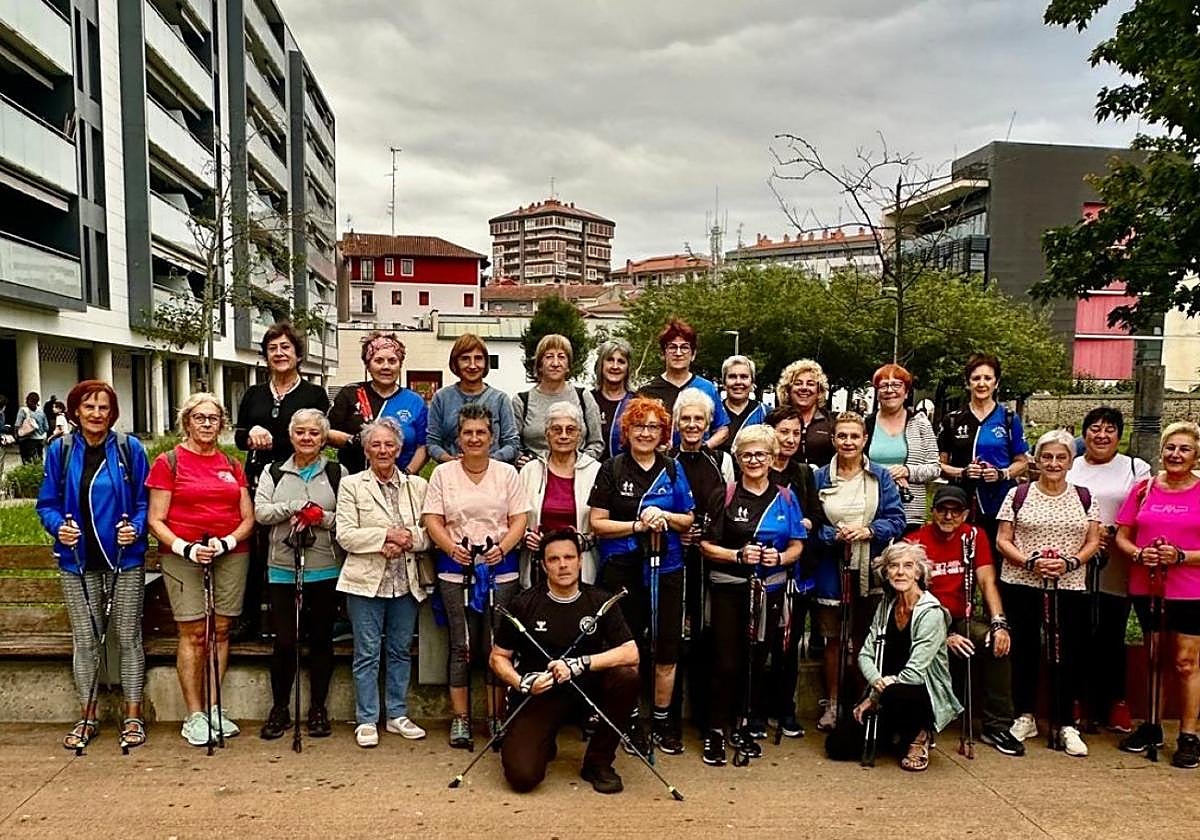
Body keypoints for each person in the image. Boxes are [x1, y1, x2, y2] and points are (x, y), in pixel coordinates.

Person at [36, 381, 151, 751]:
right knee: (85, 641)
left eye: (104, 407)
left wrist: (134, 528)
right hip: (77, 561)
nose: (97, 414)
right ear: (75, 410)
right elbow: (46, 502)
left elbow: (145, 501)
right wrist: (59, 527)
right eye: (89, 407)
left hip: (125, 560)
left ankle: (132, 715)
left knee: (128, 638)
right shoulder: (61, 450)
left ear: (112, 412)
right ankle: (87, 715)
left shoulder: (130, 449)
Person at [492, 529, 639, 795]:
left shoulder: (600, 601)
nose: (563, 565)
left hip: (586, 687)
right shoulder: (523, 604)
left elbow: (631, 653)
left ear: (580, 561)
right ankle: (543, 742)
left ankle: (598, 763)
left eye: (570, 557)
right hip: (540, 693)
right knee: (523, 777)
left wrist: (580, 664)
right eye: (554, 559)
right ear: (543, 565)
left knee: (627, 677)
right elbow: (498, 657)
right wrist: (522, 682)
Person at [146, 393, 255, 746]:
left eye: (213, 418)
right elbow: (155, 520)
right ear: (186, 422)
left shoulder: (232, 464)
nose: (207, 424)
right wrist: (186, 547)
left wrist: (226, 542)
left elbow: (248, 517)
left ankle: (213, 708)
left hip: (229, 553)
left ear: (221, 423)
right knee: (193, 631)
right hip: (183, 556)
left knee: (221, 630)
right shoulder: (169, 462)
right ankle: (193, 714)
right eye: (199, 418)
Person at [588, 396, 695, 755]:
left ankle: (663, 721)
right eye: (639, 426)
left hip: (666, 566)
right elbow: (597, 523)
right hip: (622, 567)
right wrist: (637, 524)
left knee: (666, 648)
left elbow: (688, 519)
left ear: (663, 432)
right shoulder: (612, 468)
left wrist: (663, 518)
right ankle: (629, 718)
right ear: (627, 431)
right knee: (625, 647)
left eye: (653, 427)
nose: (646, 433)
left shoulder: (673, 469)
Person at [423, 403, 530, 748]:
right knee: (461, 646)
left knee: (495, 646)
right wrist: (450, 548)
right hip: (456, 569)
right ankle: (461, 719)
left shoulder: (507, 473)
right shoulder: (443, 474)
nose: (474, 438)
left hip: (500, 569)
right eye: (467, 432)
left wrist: (504, 547)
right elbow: (433, 519)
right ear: (458, 438)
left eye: (480, 432)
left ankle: (496, 717)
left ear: (491, 436)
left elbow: (519, 519)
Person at [699, 424, 807, 766]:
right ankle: (715, 730)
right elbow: (705, 544)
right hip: (730, 587)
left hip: (769, 589)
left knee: (756, 660)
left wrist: (781, 558)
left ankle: (745, 724)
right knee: (725, 661)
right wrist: (737, 555)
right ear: (738, 458)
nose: (754, 460)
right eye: (746, 454)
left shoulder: (786, 497)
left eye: (761, 454)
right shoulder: (725, 494)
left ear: (772, 457)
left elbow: (797, 545)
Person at [995, 429, 1101, 757]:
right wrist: (1030, 562)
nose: (1053, 463)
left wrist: (1070, 563)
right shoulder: (1019, 494)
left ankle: (1065, 722)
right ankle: (1024, 715)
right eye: (1047, 457)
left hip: (1069, 584)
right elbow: (1003, 539)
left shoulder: (1084, 495)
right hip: (1022, 581)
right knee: (1024, 649)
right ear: (1037, 460)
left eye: (1061, 457)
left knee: (1068, 652)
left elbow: (1094, 540)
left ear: (1071, 461)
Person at [907, 485, 1023, 756]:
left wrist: (998, 622)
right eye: (942, 510)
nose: (948, 517)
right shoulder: (915, 541)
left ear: (966, 514)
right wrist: (940, 635)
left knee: (995, 642)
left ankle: (996, 725)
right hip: (927, 618)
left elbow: (986, 579)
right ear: (932, 512)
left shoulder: (974, 536)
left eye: (955, 511)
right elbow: (910, 595)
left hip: (963, 617)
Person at [335, 418, 431, 748]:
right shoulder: (351, 485)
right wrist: (386, 536)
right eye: (375, 444)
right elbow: (345, 535)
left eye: (389, 444)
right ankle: (366, 718)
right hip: (365, 583)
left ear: (400, 448)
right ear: (365, 449)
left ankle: (397, 714)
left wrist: (406, 540)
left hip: (406, 581)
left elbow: (429, 532)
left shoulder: (417, 486)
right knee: (367, 652)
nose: (383, 450)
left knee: (400, 650)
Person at [253, 409, 347, 740]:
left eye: (314, 433)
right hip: (282, 568)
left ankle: (318, 709)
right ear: (291, 436)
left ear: (324, 439)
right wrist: (293, 508)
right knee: (285, 642)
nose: (307, 438)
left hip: (325, 569)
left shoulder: (337, 472)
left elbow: (344, 519)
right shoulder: (273, 471)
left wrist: (319, 516)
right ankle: (279, 708)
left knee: (321, 641)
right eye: (301, 432)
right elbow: (261, 512)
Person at [812, 411, 907, 732]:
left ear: (865, 439)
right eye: (842, 436)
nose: (848, 442)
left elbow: (896, 519)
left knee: (865, 639)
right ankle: (834, 702)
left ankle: (864, 702)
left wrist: (869, 530)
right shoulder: (819, 477)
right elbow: (810, 524)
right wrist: (833, 535)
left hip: (871, 570)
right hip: (832, 571)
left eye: (855, 436)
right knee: (833, 641)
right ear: (833, 439)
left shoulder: (880, 477)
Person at [235, 322, 331, 640]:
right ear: (265, 355)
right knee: (258, 550)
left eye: (285, 347)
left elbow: (317, 435)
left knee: (298, 544)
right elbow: (238, 434)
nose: (279, 353)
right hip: (261, 481)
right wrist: (250, 433)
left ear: (298, 354)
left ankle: (301, 623)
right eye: (273, 348)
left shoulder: (313, 394)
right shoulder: (254, 394)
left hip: (299, 477)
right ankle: (252, 619)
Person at [1115, 421, 1200, 767]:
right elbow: (1123, 536)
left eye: (1184, 449)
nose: (1175, 455)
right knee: (1153, 658)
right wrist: (1138, 553)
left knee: (1185, 662)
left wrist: (1183, 557)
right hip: (1147, 584)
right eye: (1170, 448)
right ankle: (1151, 725)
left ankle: (1189, 734)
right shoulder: (1144, 488)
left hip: (1190, 588)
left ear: (1196, 455)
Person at [1066, 406, 1151, 735]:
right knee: (1076, 630)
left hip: (1117, 559)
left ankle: (1115, 702)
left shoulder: (1134, 468)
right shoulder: (1070, 466)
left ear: (1120, 434)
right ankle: (1074, 699)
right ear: (1084, 433)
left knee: (1112, 631)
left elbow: (1142, 511)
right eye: (1094, 428)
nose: (1101, 435)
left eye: (1109, 429)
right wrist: (1087, 536)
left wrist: (1112, 532)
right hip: (1077, 557)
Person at [854, 543, 963, 771]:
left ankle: (921, 734)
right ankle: (894, 732)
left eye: (908, 566)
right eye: (893, 566)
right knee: (839, 745)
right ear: (886, 572)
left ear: (919, 572)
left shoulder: (931, 612)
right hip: (887, 689)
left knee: (897, 691)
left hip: (919, 692)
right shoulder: (886, 605)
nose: (900, 572)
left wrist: (874, 697)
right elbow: (865, 654)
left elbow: (914, 674)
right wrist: (875, 683)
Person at [668, 387, 733, 733]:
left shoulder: (721, 461)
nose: (692, 425)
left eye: (699, 419)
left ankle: (709, 718)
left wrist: (708, 536)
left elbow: (731, 508)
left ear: (709, 424)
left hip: (710, 559)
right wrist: (676, 532)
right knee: (675, 637)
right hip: (675, 558)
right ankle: (671, 716)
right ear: (676, 423)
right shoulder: (667, 460)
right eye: (686, 419)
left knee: (707, 636)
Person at [765, 405, 825, 728]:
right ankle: (756, 709)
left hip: (796, 572)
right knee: (760, 643)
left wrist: (803, 523)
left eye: (795, 433)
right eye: (783, 431)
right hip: (763, 571)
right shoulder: (757, 467)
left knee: (788, 644)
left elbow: (816, 516)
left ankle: (785, 707)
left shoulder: (803, 473)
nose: (789, 438)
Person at [938, 353, 1030, 543]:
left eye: (987, 378)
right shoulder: (953, 419)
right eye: (976, 378)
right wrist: (962, 472)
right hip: (961, 502)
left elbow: (1022, 462)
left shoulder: (1009, 418)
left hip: (1000, 501)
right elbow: (939, 466)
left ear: (996, 383)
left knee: (996, 555)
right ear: (968, 383)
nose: (982, 383)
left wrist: (1002, 473)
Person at [518, 401, 601, 587]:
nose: (563, 435)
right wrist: (525, 535)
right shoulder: (529, 471)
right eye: (556, 429)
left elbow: (603, 520)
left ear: (580, 435)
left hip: (581, 565)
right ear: (546, 434)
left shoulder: (596, 471)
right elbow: (515, 516)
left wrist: (586, 539)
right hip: (538, 566)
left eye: (570, 430)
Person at [328, 331, 428, 476]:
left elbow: (423, 446)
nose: (386, 367)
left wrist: (406, 475)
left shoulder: (414, 401)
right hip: (354, 482)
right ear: (367, 365)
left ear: (400, 365)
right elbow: (327, 432)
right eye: (379, 360)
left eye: (392, 361)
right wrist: (354, 440)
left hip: (401, 482)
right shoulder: (350, 394)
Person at [864, 364, 940, 529]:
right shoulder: (866, 425)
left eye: (897, 385)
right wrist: (884, 475)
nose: (890, 390)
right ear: (877, 393)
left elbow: (935, 468)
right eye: (884, 385)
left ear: (906, 392)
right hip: (872, 507)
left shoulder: (920, 423)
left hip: (909, 509)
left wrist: (908, 471)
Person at [427, 333, 520, 464]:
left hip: (493, 472)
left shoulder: (500, 400)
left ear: (486, 362)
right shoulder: (441, 398)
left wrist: (488, 460)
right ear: (455, 363)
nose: (472, 365)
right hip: (452, 472)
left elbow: (512, 444)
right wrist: (451, 460)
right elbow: (432, 443)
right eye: (465, 359)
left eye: (478, 358)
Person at [513, 333, 603, 467]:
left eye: (561, 357)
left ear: (568, 366)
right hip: (535, 474)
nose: (555, 363)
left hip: (576, 473)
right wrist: (519, 458)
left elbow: (596, 443)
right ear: (539, 365)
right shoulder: (522, 401)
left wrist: (581, 463)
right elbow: (513, 443)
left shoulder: (583, 397)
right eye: (549, 357)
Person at [638, 318, 729, 448]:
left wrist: (703, 449)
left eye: (685, 347)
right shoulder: (647, 392)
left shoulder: (707, 388)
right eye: (672, 347)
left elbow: (722, 429)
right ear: (663, 354)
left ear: (693, 354)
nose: (678, 353)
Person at [774, 359, 833, 467]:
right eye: (798, 383)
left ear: (819, 390)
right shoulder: (775, 418)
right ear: (788, 389)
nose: (804, 388)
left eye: (810, 384)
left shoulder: (831, 421)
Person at [591, 338, 635, 462]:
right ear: (601, 364)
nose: (615, 366)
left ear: (628, 368)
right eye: (610, 360)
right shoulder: (587, 400)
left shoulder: (635, 402)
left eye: (621, 361)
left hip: (627, 475)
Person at [720, 355, 766, 454]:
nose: (738, 382)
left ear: (752, 382)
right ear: (724, 383)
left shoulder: (765, 413)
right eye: (732, 377)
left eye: (744, 377)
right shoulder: (713, 413)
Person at [15, 391, 48, 463]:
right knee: (39, 459)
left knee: (27, 461)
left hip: (27, 440)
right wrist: (39, 432)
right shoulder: (41, 411)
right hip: (40, 440)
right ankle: (39, 473)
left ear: (27, 400)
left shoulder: (23, 410)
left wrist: (17, 437)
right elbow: (46, 427)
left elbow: (17, 425)